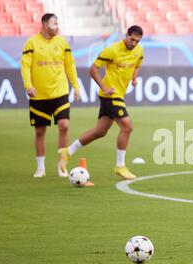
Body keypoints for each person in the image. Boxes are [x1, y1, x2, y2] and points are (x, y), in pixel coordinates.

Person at [60, 25, 144, 180]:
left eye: (137, 41)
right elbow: (93, 69)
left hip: (118, 95)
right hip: (110, 95)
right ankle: (120, 166)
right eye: (132, 39)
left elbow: (138, 63)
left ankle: (67, 152)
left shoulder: (139, 51)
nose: (133, 44)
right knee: (127, 126)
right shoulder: (111, 50)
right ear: (126, 35)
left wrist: (134, 77)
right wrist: (104, 88)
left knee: (100, 132)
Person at [20, 13, 80, 178]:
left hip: (60, 92)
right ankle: (40, 167)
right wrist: (28, 86)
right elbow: (25, 66)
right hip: (39, 95)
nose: (58, 26)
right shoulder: (31, 43)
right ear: (45, 24)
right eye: (55, 23)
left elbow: (70, 65)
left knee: (64, 125)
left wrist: (75, 85)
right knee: (40, 131)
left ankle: (62, 165)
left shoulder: (62, 42)